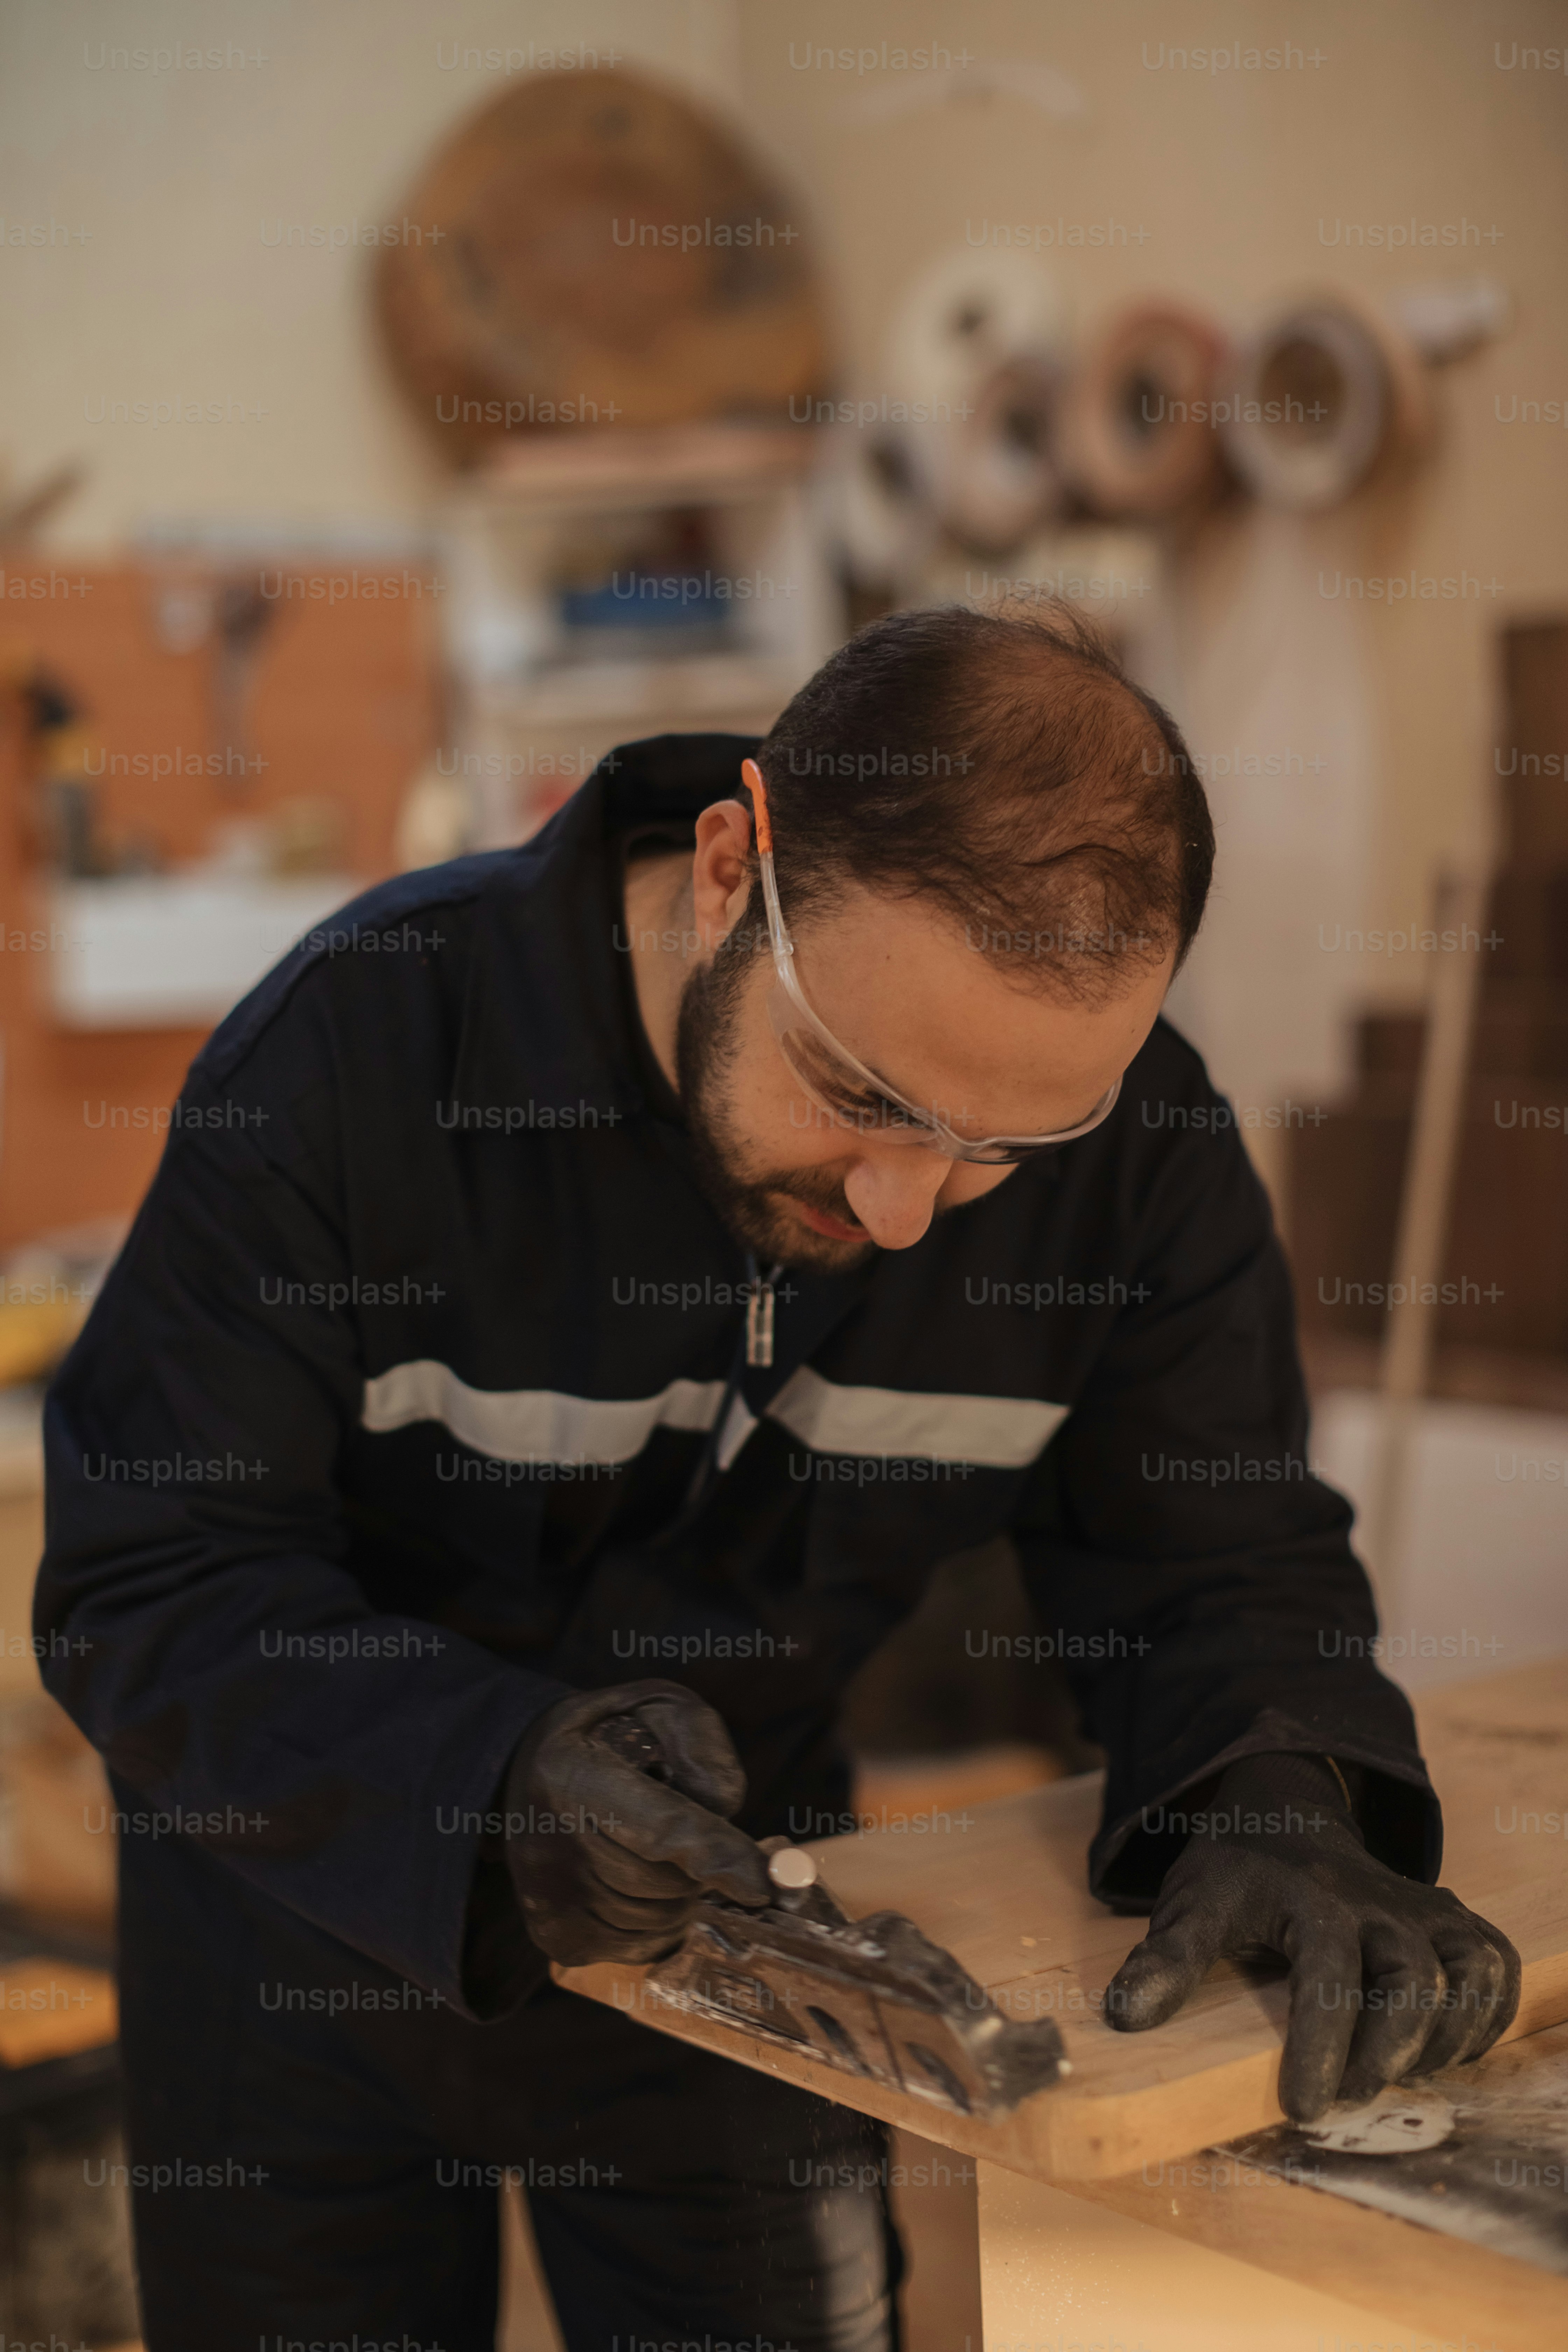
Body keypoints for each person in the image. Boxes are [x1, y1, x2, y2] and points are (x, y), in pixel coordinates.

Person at [37, 604, 1518, 2352]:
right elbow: (152, 1576)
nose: (903, 1208)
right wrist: (487, 1783)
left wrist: (1275, 1786)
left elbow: (1219, 1551)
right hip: (303, 1921)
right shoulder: (353, 1061)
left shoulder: (1138, 1169)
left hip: (749, 1933)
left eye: (997, 1150)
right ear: (736, 866)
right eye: (858, 1089)